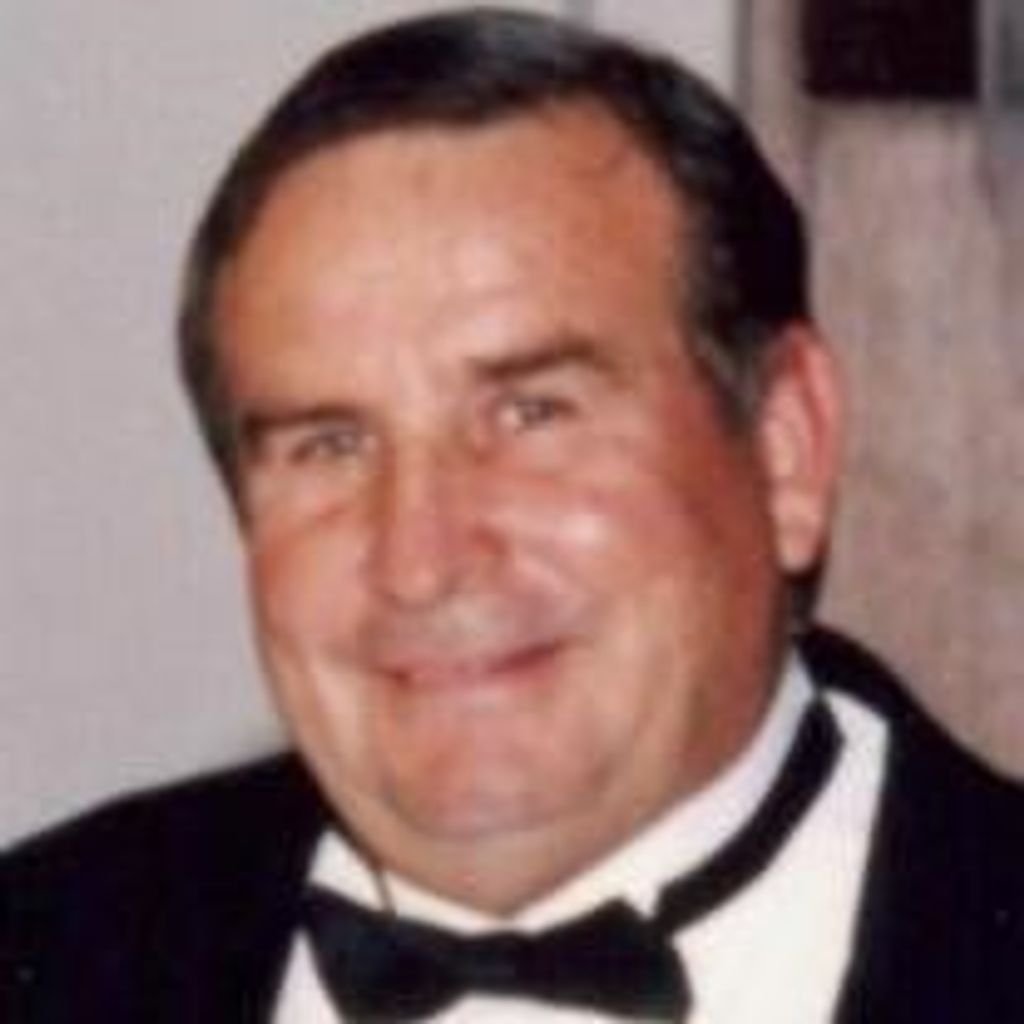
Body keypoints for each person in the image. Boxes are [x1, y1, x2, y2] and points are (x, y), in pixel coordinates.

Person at [4, 7, 1024, 1022]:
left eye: (532, 413)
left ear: (784, 445)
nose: (420, 560)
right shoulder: (50, 949)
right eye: (330, 444)